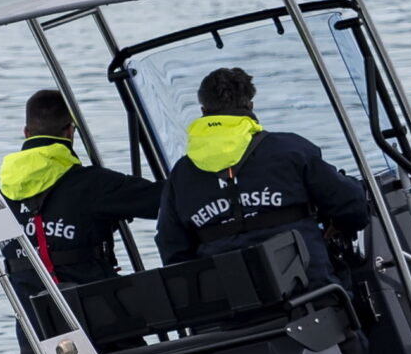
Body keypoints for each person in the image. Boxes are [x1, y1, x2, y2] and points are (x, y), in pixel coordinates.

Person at [156, 66, 370, 277]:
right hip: (313, 292)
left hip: (232, 304)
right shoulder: (291, 150)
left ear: (203, 111)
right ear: (250, 105)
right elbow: (353, 205)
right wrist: (339, 226)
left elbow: (172, 250)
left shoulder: (181, 174)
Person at [0, 89, 160, 288]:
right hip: (93, 312)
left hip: (32, 316)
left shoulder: (2, 195)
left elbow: (9, 247)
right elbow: (164, 201)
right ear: (69, 131)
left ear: (26, 133)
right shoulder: (93, 184)